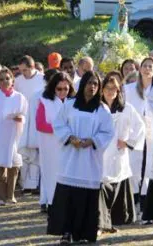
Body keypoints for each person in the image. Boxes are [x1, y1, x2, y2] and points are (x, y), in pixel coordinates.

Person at [47, 71, 114, 244]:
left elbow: (108, 132)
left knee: (86, 199)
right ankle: (66, 232)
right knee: (67, 198)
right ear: (82, 84)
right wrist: (70, 138)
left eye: (95, 84)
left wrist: (92, 141)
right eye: (89, 82)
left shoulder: (102, 109)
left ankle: (84, 233)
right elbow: (59, 124)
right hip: (70, 158)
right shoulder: (69, 105)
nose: (92, 86)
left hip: (90, 160)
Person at [99, 76, 145, 234]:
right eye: (108, 88)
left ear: (119, 90)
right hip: (100, 154)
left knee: (115, 190)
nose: (111, 92)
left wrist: (128, 142)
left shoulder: (126, 108)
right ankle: (99, 223)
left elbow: (140, 127)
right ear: (102, 89)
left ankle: (110, 221)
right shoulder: (97, 108)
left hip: (118, 154)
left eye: (114, 88)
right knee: (101, 189)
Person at [36, 71, 75, 213]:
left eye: (66, 88)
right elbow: (40, 124)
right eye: (59, 89)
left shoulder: (74, 102)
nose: (62, 92)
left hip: (69, 144)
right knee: (51, 173)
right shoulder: (44, 100)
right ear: (53, 87)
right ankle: (50, 201)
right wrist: (62, 130)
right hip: (50, 145)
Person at [0, 68, 28, 205]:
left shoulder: (19, 97)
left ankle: (11, 195)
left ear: (12, 80)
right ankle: (0, 196)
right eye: (1, 79)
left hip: (14, 133)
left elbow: (25, 114)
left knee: (13, 165)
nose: (5, 81)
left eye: (7, 78)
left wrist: (20, 118)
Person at [124, 57, 153, 213]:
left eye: (151, 66)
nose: (147, 69)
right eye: (145, 66)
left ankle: (146, 206)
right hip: (134, 134)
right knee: (134, 168)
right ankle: (133, 204)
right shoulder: (130, 89)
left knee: (149, 169)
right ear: (140, 69)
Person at [23, 68, 59, 211]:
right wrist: (33, 139)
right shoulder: (38, 96)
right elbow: (34, 119)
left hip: (60, 141)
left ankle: (53, 199)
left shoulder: (64, 96)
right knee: (46, 170)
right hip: (44, 139)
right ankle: (44, 200)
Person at [15, 55, 45, 193]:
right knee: (26, 151)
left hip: (39, 118)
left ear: (33, 67)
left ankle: (38, 182)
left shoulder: (42, 79)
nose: (23, 73)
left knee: (40, 151)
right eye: (21, 70)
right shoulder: (18, 81)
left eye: (25, 70)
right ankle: (27, 183)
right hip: (24, 120)